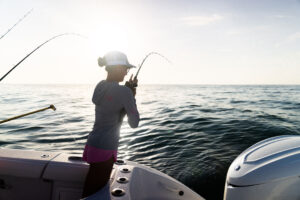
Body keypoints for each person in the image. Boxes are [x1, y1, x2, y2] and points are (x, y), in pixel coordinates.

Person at [82, 51, 140, 198]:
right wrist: (131, 96)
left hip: (93, 143)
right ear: (117, 68)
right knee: (95, 193)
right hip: (106, 146)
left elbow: (112, 105)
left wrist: (126, 92)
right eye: (125, 69)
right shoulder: (124, 92)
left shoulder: (100, 86)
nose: (127, 73)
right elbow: (134, 123)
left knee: (90, 188)